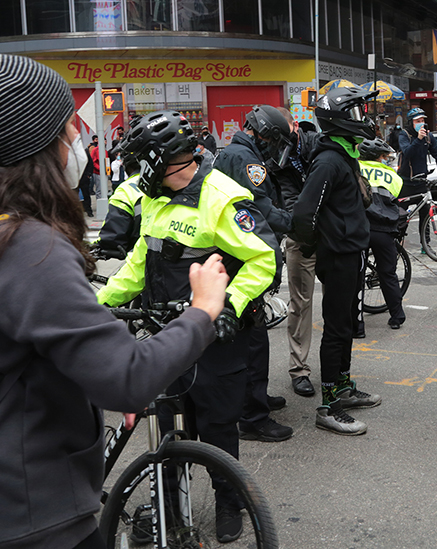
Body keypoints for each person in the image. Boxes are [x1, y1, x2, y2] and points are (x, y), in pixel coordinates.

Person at [0, 54, 227, 549]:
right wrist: (203, 310)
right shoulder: (24, 245)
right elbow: (127, 378)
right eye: (70, 129)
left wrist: (94, 376)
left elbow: (30, 347)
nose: (79, 142)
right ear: (41, 142)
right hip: (28, 520)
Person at [97, 111, 279, 541]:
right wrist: (100, 305)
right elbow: (140, 262)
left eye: (143, 162)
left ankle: (228, 503)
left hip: (216, 339)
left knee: (218, 429)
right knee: (165, 429)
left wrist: (230, 305)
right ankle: (170, 510)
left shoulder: (221, 196)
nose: (138, 172)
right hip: (167, 336)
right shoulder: (154, 199)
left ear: (162, 161)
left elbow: (263, 259)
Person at [292, 85, 382, 435]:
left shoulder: (344, 155)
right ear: (340, 120)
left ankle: (343, 387)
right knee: (336, 327)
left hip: (352, 253)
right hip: (339, 255)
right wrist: (317, 245)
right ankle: (328, 405)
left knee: (346, 324)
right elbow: (304, 213)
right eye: (357, 114)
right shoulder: (329, 160)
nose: (363, 120)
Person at [213, 104, 294, 443]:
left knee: (249, 338)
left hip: (232, 256)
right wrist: (293, 222)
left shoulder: (233, 152)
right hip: (241, 259)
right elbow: (259, 207)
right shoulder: (246, 159)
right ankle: (252, 416)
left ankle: (254, 400)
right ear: (265, 135)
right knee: (253, 340)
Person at [272, 106, 320, 397]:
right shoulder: (276, 156)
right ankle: (299, 370)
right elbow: (286, 198)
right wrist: (300, 229)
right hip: (301, 234)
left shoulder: (316, 143)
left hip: (332, 231)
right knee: (300, 304)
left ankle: (338, 373)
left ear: (294, 125)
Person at [358, 138, 405, 329]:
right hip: (384, 230)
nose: (386, 159)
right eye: (384, 156)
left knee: (357, 275)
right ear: (379, 157)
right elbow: (397, 194)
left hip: (360, 228)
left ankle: (357, 322)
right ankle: (397, 316)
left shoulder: (355, 169)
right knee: (388, 273)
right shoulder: (392, 175)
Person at [396, 108, 437, 246]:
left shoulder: (429, 136)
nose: (421, 124)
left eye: (422, 121)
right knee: (401, 215)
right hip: (406, 182)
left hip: (422, 181)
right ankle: (397, 241)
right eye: (417, 121)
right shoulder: (404, 135)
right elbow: (408, 153)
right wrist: (419, 139)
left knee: (425, 214)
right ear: (411, 123)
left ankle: (425, 243)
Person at [92, 156, 142, 257]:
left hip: (144, 260)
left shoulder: (127, 189)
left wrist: (98, 247)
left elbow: (113, 236)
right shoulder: (174, 181)